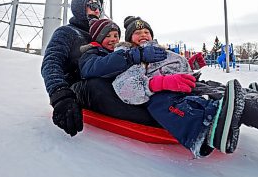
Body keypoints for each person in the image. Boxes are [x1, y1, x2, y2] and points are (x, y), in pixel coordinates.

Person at [78, 16, 258, 157]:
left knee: (244, 95)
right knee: (238, 103)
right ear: (130, 40)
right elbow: (128, 88)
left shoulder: (161, 51)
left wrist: (189, 63)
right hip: (170, 96)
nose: (143, 35)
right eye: (137, 33)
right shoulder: (130, 55)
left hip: (189, 85)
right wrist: (161, 81)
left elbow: (179, 70)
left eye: (146, 31)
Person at [79, 17, 244, 157]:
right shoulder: (96, 53)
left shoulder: (126, 52)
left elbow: (163, 66)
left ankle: (234, 105)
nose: (113, 39)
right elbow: (103, 70)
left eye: (115, 35)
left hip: (152, 88)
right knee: (161, 100)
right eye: (107, 36)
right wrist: (138, 58)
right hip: (135, 95)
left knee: (201, 89)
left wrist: (188, 65)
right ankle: (202, 133)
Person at [41, 0, 167, 137]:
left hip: (109, 80)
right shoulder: (67, 32)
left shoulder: (104, 32)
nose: (97, 10)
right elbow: (51, 63)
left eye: (99, 7)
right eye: (92, 5)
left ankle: (170, 109)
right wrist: (60, 96)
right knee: (96, 85)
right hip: (80, 88)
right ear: (79, 8)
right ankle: (155, 121)